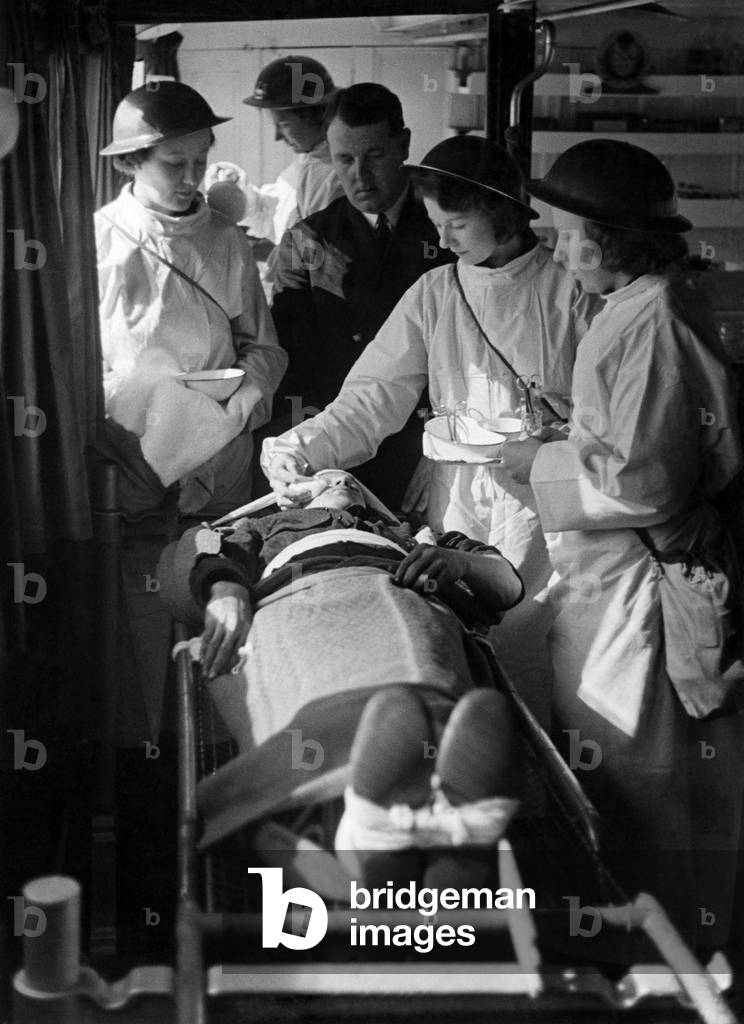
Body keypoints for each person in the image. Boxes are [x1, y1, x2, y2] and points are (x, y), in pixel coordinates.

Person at [500, 138, 744, 950]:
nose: (558, 251)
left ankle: (671, 956)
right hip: (613, 579)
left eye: (569, 235)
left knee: (646, 774)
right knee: (616, 770)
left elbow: (645, 486)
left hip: (641, 581)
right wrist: (571, 434)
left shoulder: (654, 319)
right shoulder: (635, 307)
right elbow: (638, 442)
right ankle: (648, 936)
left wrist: (537, 462)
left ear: (612, 241)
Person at [263, 135, 597, 725]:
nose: (442, 240)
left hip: (548, 510)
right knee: (464, 660)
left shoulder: (568, 292)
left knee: (541, 664)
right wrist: (303, 444)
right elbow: (372, 398)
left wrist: (550, 439)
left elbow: (604, 421)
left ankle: (542, 803)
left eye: (457, 224)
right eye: (438, 224)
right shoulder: (437, 292)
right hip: (460, 508)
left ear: (501, 212)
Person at [161, 469, 525, 887]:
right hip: (292, 602)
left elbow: (507, 585)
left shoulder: (419, 535)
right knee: (312, 687)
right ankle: (420, 824)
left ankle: (367, 831)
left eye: (352, 481)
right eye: (325, 479)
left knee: (417, 670)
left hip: (396, 595)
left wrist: (456, 561)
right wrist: (226, 590)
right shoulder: (262, 527)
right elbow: (183, 567)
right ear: (296, 500)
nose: (343, 482)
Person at [95, 81, 287, 517]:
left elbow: (265, 349)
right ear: (131, 161)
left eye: (200, 161)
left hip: (220, 453)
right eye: (173, 163)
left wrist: (232, 407)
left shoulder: (226, 238)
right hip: (130, 453)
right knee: (135, 571)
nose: (190, 178)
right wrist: (140, 410)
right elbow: (79, 364)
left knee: (216, 569)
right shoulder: (101, 240)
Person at [268, 83, 455, 509]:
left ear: (403, 144)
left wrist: (443, 444)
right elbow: (291, 361)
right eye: (344, 160)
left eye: (375, 156)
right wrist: (302, 450)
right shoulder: (308, 241)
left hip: (429, 446)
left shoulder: (449, 227)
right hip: (335, 446)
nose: (359, 176)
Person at [206, 56, 343, 251]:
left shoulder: (336, 177)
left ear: (316, 115)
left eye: (284, 124)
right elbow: (272, 217)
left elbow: (315, 259)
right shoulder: (307, 162)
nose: (277, 136)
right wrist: (241, 193)